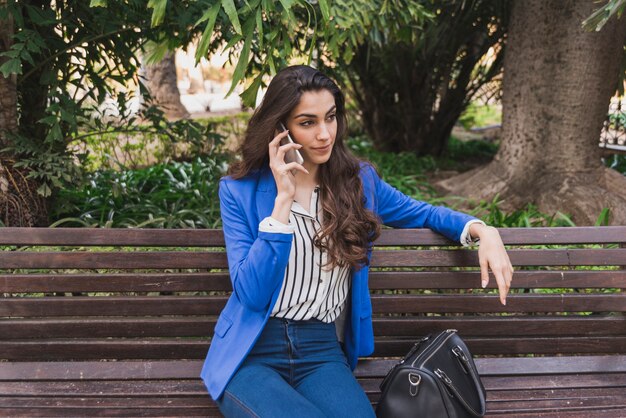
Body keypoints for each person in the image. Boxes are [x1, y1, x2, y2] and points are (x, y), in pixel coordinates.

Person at [201, 65, 513, 417]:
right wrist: (282, 203)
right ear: (280, 129)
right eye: (308, 122)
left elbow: (423, 213)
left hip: (320, 351)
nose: (324, 134)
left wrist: (483, 230)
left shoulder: (358, 183)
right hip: (253, 352)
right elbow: (253, 293)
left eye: (330, 118)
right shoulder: (239, 192)